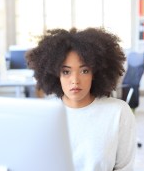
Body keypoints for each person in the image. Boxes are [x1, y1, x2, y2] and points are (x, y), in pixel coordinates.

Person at [26, 27, 136, 171]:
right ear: (55, 74)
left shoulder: (118, 112)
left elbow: (124, 168)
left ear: (95, 73)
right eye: (66, 72)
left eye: (84, 71)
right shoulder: (44, 115)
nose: (75, 80)